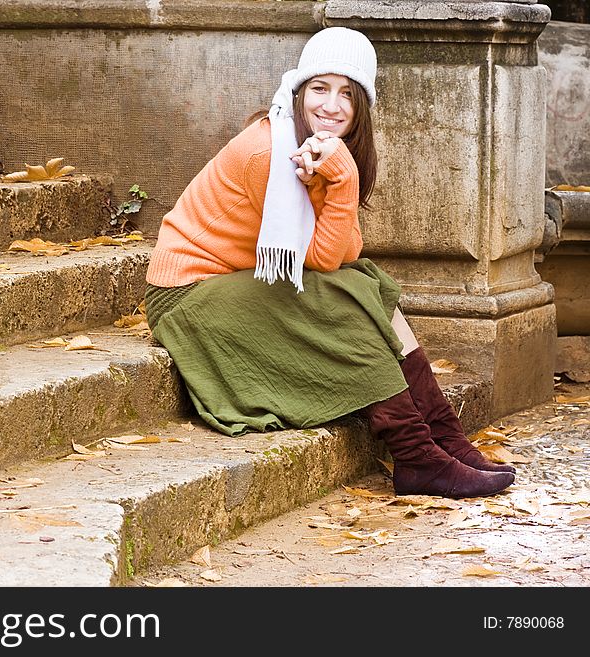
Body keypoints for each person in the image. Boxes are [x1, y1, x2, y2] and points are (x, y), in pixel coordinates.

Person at [144, 27, 515, 499]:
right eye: (319, 88)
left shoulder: (323, 150)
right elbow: (321, 264)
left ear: (362, 106)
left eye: (347, 94)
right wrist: (343, 182)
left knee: (365, 281)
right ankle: (417, 455)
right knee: (342, 293)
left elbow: (346, 254)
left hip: (239, 281)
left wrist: (342, 174)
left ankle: (445, 438)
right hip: (189, 293)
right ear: (299, 92)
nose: (330, 106)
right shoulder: (268, 152)